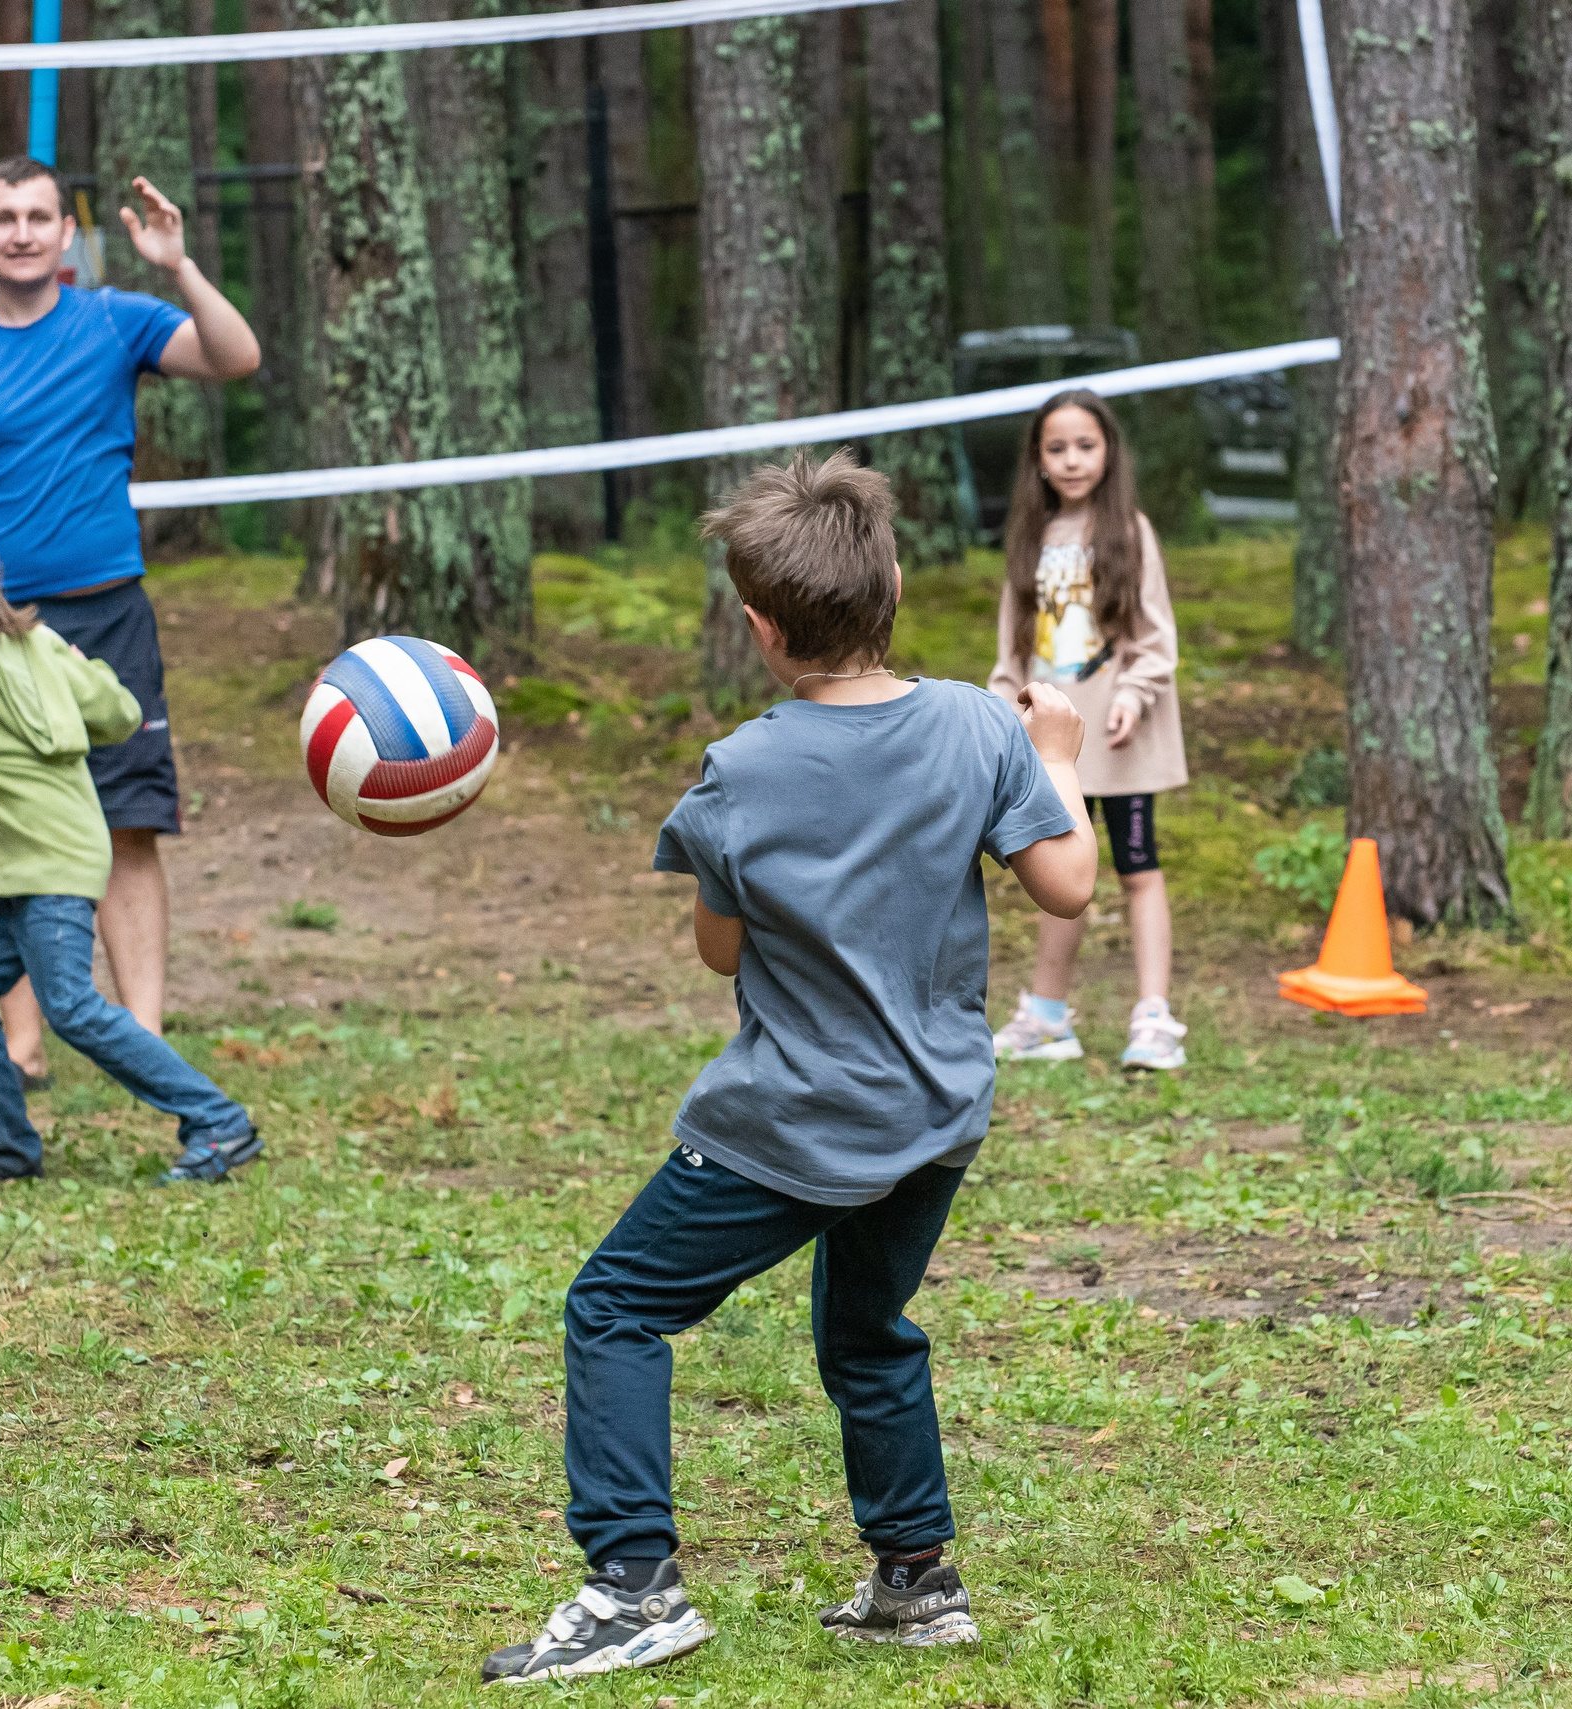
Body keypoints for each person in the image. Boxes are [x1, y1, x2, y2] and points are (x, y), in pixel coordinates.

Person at [481, 453, 1097, 1685]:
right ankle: (916, 1579)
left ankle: (631, 1587)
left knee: (613, 1305)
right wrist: (1061, 753)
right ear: (897, 585)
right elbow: (1068, 883)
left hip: (794, 1122)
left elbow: (721, 951)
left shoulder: (738, 771)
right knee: (867, 1328)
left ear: (761, 629)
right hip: (935, 1111)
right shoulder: (982, 727)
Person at [0, 156, 261, 1093]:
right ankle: (22, 1046)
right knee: (11, 833)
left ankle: (144, 1037)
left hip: (109, 612)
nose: (21, 232)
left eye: (38, 216)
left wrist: (178, 265)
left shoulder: (115, 321)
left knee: (130, 824)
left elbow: (236, 358)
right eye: (2, 217)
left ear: (65, 234)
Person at [0, 515, 262, 1186]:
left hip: (39, 866)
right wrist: (75, 668)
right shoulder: (40, 642)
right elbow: (118, 715)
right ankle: (4, 1147)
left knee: (71, 1007)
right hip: (48, 859)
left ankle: (218, 1120)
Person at [985, 391, 1192, 1072]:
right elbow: (1012, 654)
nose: (1072, 460)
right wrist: (1002, 713)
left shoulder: (1130, 531)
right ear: (1037, 460)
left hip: (1118, 736)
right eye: (1056, 448)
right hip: (1053, 744)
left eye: (1085, 445)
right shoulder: (1027, 539)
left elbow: (1155, 637)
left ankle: (1154, 1016)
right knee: (1060, 870)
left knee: (1139, 868)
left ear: (1108, 451)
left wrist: (1133, 695)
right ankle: (1046, 1016)